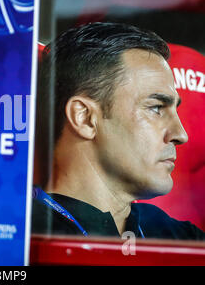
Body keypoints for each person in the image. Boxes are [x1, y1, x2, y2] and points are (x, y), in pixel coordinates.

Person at [32, 22, 204, 240]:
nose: (181, 134)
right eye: (156, 108)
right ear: (84, 118)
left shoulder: (182, 238)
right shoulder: (14, 237)